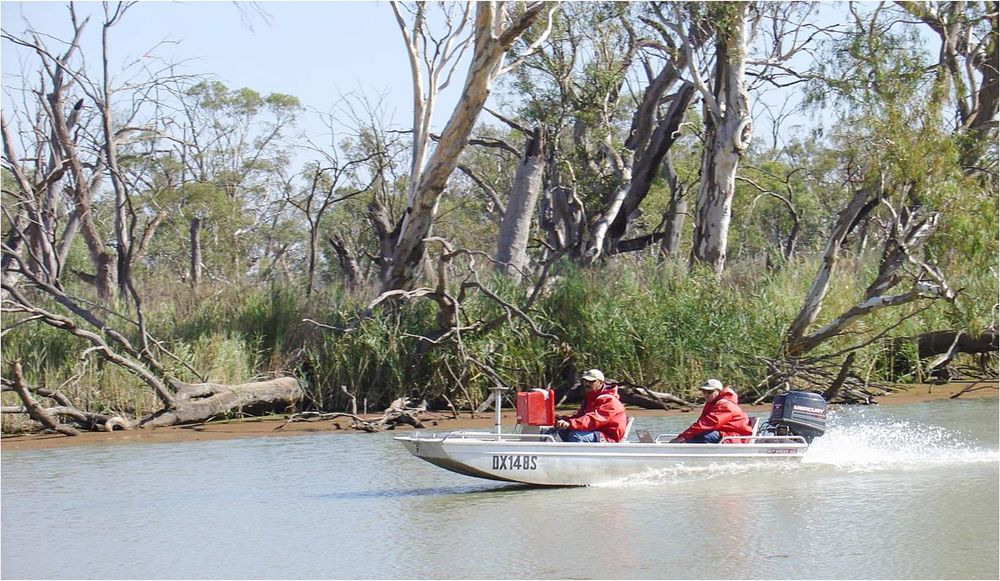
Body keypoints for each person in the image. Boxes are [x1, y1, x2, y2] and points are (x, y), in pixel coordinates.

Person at [554, 369, 628, 443]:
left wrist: (570, 423)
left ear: (600, 383)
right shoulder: (591, 397)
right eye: (585, 381)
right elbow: (581, 416)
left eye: (591, 381)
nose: (587, 384)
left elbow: (593, 420)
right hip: (595, 431)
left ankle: (575, 454)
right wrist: (561, 419)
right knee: (560, 430)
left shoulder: (609, 401)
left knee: (575, 435)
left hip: (608, 437)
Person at [669, 378, 752, 444]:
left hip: (736, 438)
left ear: (718, 391)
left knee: (706, 435)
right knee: (699, 434)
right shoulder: (712, 403)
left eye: (709, 392)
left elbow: (707, 424)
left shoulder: (725, 405)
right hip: (725, 433)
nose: (706, 394)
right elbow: (700, 424)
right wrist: (684, 436)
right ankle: (685, 446)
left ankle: (685, 448)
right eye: (704, 392)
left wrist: (683, 437)